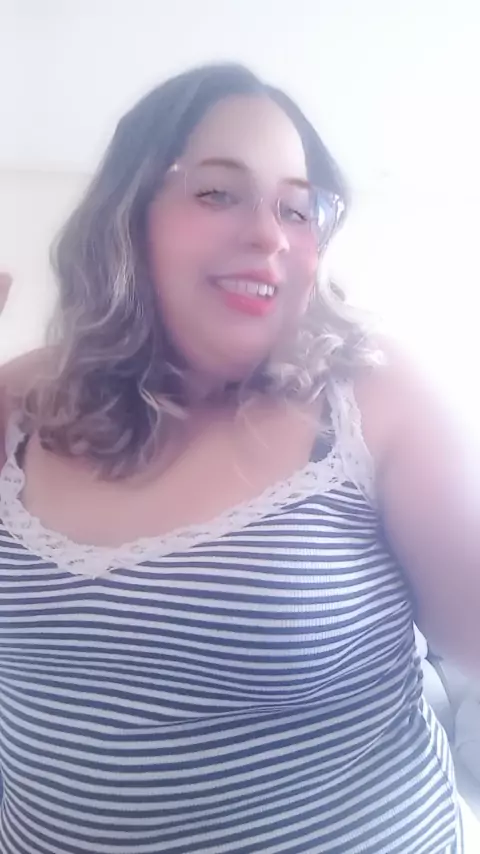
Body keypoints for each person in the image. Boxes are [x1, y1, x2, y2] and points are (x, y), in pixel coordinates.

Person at [0, 63, 478, 854]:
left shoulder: (372, 396)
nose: (270, 235)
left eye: (298, 208)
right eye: (218, 193)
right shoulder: (21, 400)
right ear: (128, 211)